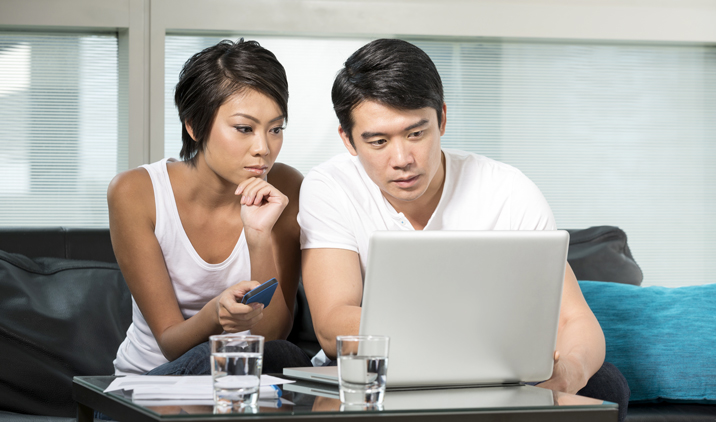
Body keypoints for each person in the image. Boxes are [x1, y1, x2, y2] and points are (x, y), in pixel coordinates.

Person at [297, 39, 629, 421]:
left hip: (497, 374)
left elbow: (573, 319)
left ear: (442, 119)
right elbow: (333, 324)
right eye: (378, 141)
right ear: (348, 140)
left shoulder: (507, 189)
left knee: (604, 384)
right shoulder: (330, 186)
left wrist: (569, 372)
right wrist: (469, 339)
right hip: (378, 372)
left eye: (416, 133)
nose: (402, 159)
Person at [108, 39, 312, 376]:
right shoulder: (135, 192)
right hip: (149, 386)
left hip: (241, 385)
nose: (263, 148)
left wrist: (258, 236)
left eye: (275, 129)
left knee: (287, 356)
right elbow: (170, 343)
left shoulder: (287, 187)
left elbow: (272, 336)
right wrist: (215, 314)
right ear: (194, 125)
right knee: (214, 357)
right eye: (244, 129)